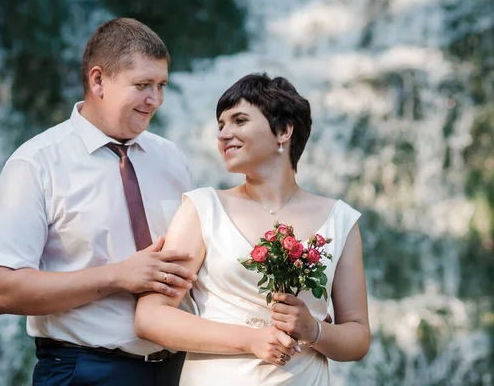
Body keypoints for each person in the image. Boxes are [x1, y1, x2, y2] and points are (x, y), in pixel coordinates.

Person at [0, 18, 201, 386]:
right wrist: (117, 276)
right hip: (84, 370)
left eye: (161, 85)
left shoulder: (171, 157)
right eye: (143, 85)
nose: (155, 100)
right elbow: (1, 290)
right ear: (98, 80)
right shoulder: (36, 163)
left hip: (179, 370)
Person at [134, 73, 370, 385]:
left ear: (284, 130)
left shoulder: (340, 220)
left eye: (239, 120)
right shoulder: (202, 208)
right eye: (221, 125)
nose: (223, 134)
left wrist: (314, 330)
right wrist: (248, 339)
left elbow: (358, 336)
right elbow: (151, 317)